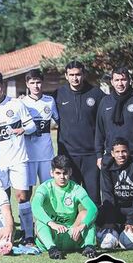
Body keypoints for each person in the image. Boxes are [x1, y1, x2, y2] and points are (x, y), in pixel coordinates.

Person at [0, 71, 37, 246]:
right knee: (3, 196)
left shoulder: (16, 104)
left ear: (2, 86)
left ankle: (28, 235)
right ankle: (7, 233)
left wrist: (23, 130)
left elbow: (32, 125)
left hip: (19, 158)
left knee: (22, 196)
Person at [53, 61, 105, 204]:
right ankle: (73, 225)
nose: (75, 78)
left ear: (84, 75)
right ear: (66, 76)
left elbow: (111, 107)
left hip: (91, 154)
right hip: (68, 155)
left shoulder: (96, 93)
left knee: (93, 197)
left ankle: (94, 225)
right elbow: (40, 106)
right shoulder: (58, 94)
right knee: (70, 196)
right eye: (71, 75)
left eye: (78, 74)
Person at [32, 155, 98, 260]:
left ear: (70, 172)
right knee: (40, 222)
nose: (62, 177)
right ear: (51, 173)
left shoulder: (76, 189)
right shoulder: (44, 188)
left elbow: (93, 209)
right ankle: (52, 249)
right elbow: (35, 206)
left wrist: (81, 227)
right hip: (53, 235)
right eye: (58, 173)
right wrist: (52, 224)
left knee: (87, 216)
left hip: (72, 235)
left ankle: (89, 247)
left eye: (65, 173)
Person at [95, 67, 133, 172]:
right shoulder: (105, 102)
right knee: (110, 189)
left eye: (123, 80)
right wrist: (99, 155)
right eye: (117, 80)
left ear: (129, 81)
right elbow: (99, 131)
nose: (120, 83)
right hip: (112, 157)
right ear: (112, 82)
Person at [97, 138, 133, 248]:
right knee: (97, 214)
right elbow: (107, 194)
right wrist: (110, 220)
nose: (121, 155)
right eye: (117, 152)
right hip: (116, 208)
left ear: (129, 151)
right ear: (112, 154)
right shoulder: (106, 167)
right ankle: (115, 231)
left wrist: (131, 220)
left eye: (124, 151)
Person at [21, 69, 59, 193]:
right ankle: (25, 213)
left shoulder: (50, 101)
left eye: (38, 82)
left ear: (42, 83)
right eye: (32, 83)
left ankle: (48, 213)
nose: (35, 86)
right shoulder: (21, 102)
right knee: (27, 191)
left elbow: (59, 121)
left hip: (46, 154)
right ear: (27, 84)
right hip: (28, 154)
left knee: (48, 189)